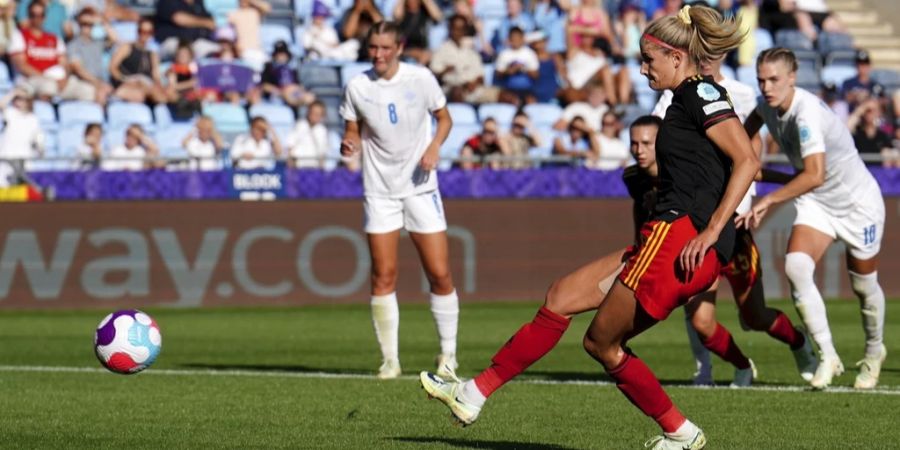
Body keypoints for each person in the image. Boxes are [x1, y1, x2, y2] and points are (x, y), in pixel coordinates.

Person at [421, 6, 760, 448]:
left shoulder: (701, 95)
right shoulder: (685, 100)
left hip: (679, 240)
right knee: (561, 296)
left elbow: (749, 161)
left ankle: (681, 432)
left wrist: (712, 231)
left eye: (648, 59)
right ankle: (472, 393)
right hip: (666, 237)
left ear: (677, 57)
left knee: (603, 344)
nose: (641, 69)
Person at [651, 50, 814, 387]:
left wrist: (789, 182)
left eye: (712, 52)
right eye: (700, 52)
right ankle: (739, 366)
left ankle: (799, 341)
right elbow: (658, 144)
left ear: (723, 53)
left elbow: (748, 160)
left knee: (754, 316)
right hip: (698, 224)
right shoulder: (673, 95)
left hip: (734, 227)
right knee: (701, 319)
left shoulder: (743, 95)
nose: (706, 58)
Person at [739, 47, 887, 390]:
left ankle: (874, 351)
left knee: (864, 287)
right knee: (796, 267)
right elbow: (749, 129)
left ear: (793, 78)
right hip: (817, 203)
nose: (766, 87)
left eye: (774, 79)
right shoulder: (766, 105)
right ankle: (828, 355)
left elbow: (815, 173)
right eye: (761, 80)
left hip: (857, 204)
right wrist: (747, 162)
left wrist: (768, 200)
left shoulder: (806, 114)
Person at [339, 21, 459, 381]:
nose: (378, 54)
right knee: (383, 274)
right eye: (373, 47)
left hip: (421, 186)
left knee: (439, 273)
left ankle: (448, 355)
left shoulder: (420, 79)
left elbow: (444, 118)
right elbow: (351, 127)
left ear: (399, 47)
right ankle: (390, 360)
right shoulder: (358, 86)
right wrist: (350, 143)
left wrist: (434, 146)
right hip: (379, 190)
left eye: (385, 48)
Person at [108, 17, 168, 104]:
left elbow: (156, 76)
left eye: (149, 32)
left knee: (163, 94)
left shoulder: (152, 54)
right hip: (128, 81)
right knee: (135, 94)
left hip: (145, 84)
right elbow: (112, 68)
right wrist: (125, 79)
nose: (145, 35)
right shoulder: (127, 47)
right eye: (142, 31)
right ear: (138, 31)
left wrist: (159, 87)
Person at [286, 100, 330, 169]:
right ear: (308, 112)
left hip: (314, 168)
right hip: (298, 167)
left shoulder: (322, 130)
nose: (315, 116)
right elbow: (290, 146)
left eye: (318, 114)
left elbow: (322, 154)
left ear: (322, 116)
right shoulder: (299, 125)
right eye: (313, 113)